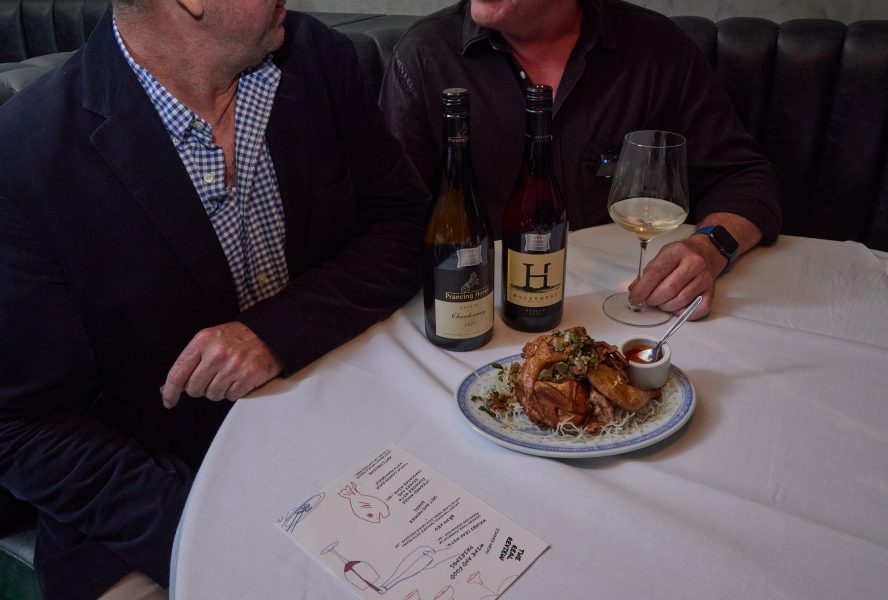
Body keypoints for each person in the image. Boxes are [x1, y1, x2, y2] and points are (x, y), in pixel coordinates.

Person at [0, 0, 429, 597]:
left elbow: (403, 227)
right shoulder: (27, 151)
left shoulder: (315, 57)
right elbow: (24, 428)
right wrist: (219, 523)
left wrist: (274, 333)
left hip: (343, 418)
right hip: (154, 491)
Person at [380, 0, 783, 319]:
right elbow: (390, 218)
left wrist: (711, 247)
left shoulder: (657, 47)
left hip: (631, 306)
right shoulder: (425, 55)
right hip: (480, 313)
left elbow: (745, 177)